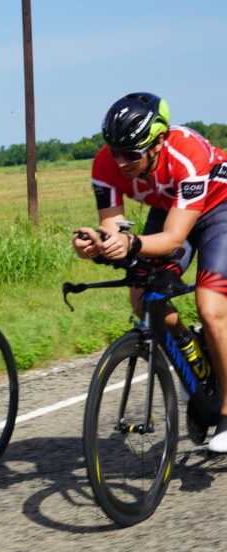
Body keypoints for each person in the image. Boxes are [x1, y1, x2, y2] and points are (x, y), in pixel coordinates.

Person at [73, 92, 227, 452]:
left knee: (210, 306)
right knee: (144, 296)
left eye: (131, 154)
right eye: (114, 151)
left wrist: (132, 245)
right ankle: (196, 357)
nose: (121, 162)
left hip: (219, 210)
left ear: (159, 142)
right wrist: (96, 245)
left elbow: (174, 237)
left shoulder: (187, 156)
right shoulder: (105, 165)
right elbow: (114, 228)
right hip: (170, 207)